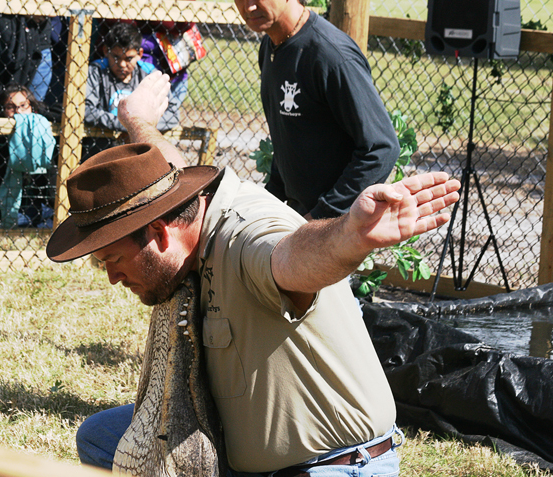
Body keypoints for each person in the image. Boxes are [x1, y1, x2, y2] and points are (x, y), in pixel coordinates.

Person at [46, 72, 461, 476]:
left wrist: (348, 237)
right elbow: (164, 170)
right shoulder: (183, 212)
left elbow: (289, 257)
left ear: (158, 231)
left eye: (112, 260)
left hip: (329, 467)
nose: (111, 278)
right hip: (242, 447)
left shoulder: (244, 234)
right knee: (101, 437)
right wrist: (138, 120)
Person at [198, 0, 400, 221]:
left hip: (333, 226)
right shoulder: (271, 46)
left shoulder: (329, 55)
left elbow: (381, 147)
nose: (248, 5)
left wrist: (320, 217)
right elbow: (291, 137)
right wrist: (268, 201)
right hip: (299, 217)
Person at [97, 0, 196, 125]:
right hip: (119, 64)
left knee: (157, 123)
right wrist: (162, 14)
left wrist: (137, 8)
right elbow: (108, 16)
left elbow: (186, 20)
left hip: (168, 67)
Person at [84, 21, 179, 155]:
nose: (122, 64)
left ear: (140, 54)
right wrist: (130, 124)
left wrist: (139, 127)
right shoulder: (96, 72)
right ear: (106, 51)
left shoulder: (149, 74)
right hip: (101, 148)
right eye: (116, 57)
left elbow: (173, 115)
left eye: (129, 58)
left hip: (139, 149)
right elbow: (87, 111)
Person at [0, 84, 55, 228]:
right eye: (11, 107)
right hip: (9, 205)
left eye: (23, 106)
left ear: (32, 107)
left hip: (40, 204)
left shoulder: (41, 130)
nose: (18, 112)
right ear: (2, 110)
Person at [0, 0, 65, 111]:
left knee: (30, 113)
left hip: (36, 50)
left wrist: (0, 0)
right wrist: (27, 9)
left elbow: (50, 6)